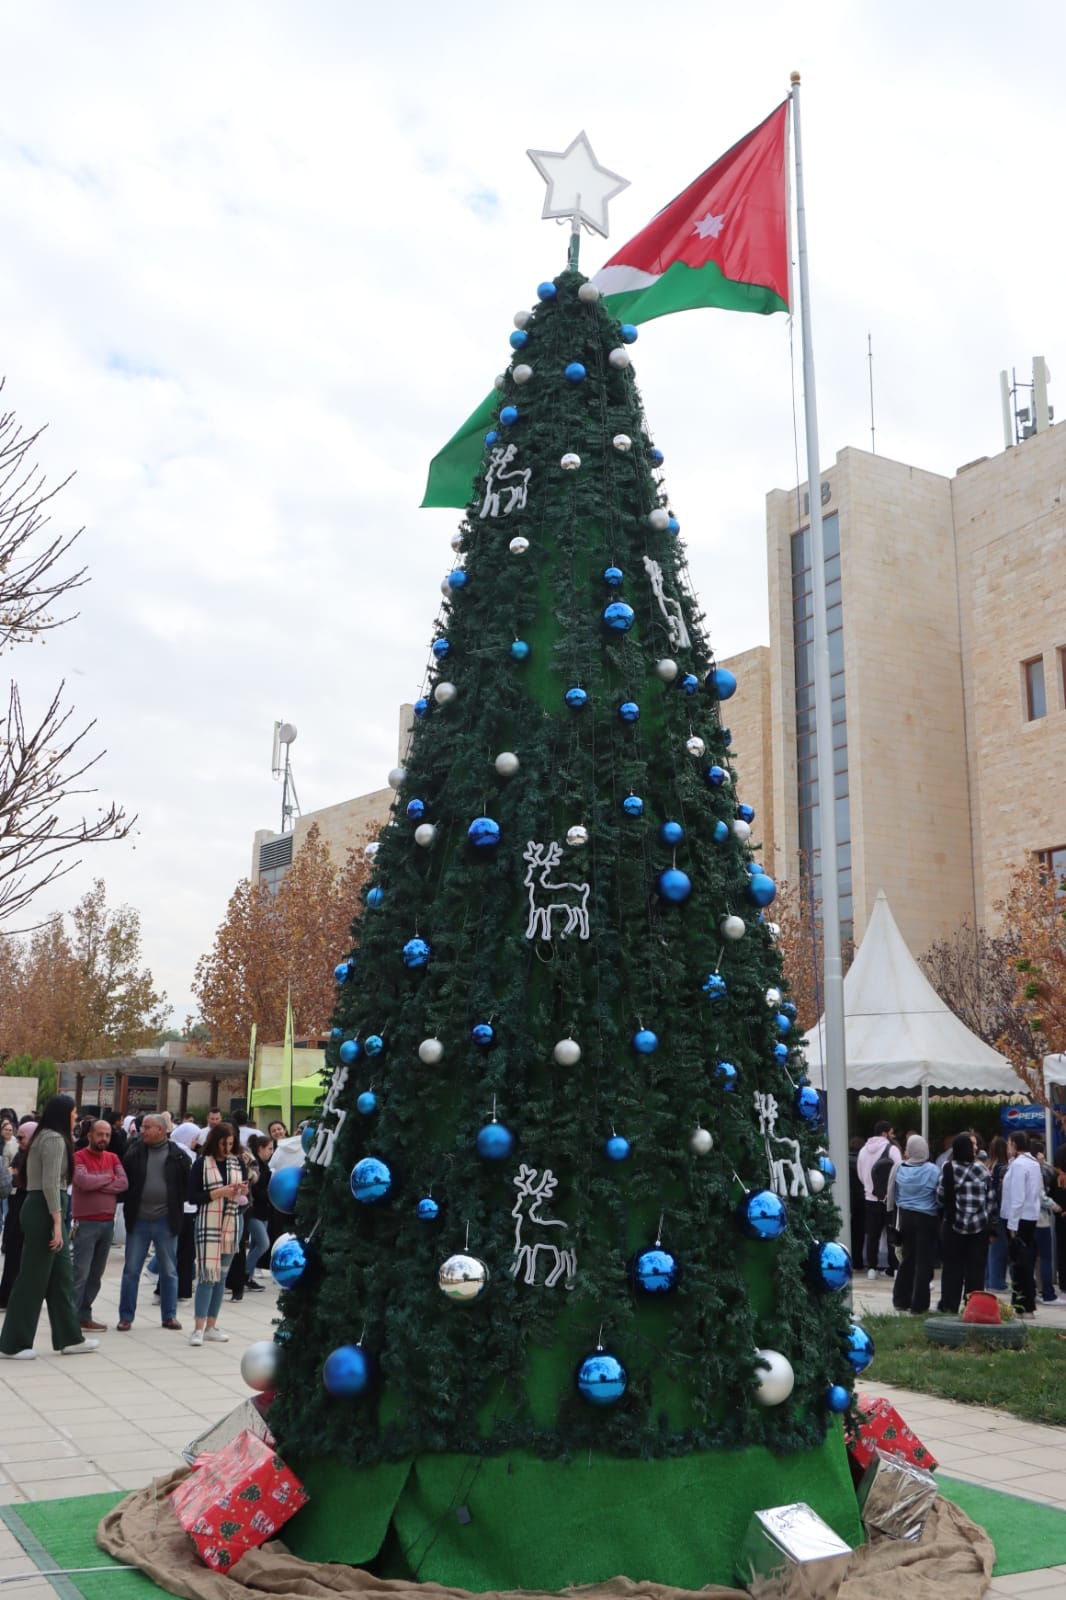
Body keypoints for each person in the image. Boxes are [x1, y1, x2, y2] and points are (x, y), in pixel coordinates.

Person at [0, 1095, 96, 1359]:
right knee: (33, 1277)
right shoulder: (53, 1139)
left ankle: (69, 1338)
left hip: (46, 1207)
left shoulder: (46, 1136)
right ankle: (13, 1343)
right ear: (65, 1113)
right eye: (75, 1112)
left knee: (61, 1277)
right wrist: (57, 1221)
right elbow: (51, 1183)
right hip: (46, 1209)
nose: (76, 1116)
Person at [117, 1113, 188, 1331]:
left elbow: (185, 1186)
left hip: (165, 1220)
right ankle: (126, 1316)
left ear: (161, 1130)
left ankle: (169, 1315)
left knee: (168, 1270)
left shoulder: (178, 1156)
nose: (142, 1130)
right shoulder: (134, 1152)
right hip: (138, 1219)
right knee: (131, 1270)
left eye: (147, 1127)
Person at [189, 1121, 245, 1345]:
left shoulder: (237, 1162)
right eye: (224, 1143)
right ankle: (198, 1327)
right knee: (207, 1276)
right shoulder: (202, 1163)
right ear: (214, 1142)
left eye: (231, 1144)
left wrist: (241, 1191)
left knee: (221, 1277)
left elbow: (242, 1199)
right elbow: (192, 1196)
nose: (227, 1148)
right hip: (207, 1224)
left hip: (231, 1223)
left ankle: (212, 1325)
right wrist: (218, 1193)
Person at [71, 1120, 128, 1331]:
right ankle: (69, 1319)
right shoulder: (78, 1157)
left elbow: (123, 1183)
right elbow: (83, 1182)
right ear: (90, 1135)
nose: (103, 1138)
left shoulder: (113, 1157)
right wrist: (108, 1178)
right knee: (80, 1274)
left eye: (107, 1135)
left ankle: (84, 1315)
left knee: (95, 1276)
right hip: (85, 1224)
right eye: (100, 1134)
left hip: (107, 1224)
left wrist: (97, 1182)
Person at [937, 1133, 994, 1314]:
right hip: (978, 1228)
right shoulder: (983, 1170)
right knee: (976, 1270)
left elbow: (940, 1197)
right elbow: (991, 1200)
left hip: (953, 1227)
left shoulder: (947, 1169)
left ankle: (949, 1306)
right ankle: (973, 1308)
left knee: (952, 1269)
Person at [887, 1135, 940, 1314]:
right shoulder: (933, 1170)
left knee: (907, 1258)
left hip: (906, 1217)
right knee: (924, 1262)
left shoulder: (899, 1167)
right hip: (927, 1218)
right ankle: (919, 1304)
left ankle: (901, 1299)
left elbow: (891, 1193)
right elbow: (939, 1194)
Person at [1001, 1131, 1043, 1316]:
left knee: (1019, 1263)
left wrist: (1012, 1225)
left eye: (1009, 1144)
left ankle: (1023, 1304)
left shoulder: (1019, 1165)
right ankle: (1024, 1302)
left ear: (1015, 1145)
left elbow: (1017, 1196)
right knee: (1024, 1261)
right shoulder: (1032, 1163)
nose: (1007, 1147)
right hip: (1030, 1216)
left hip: (1019, 1218)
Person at [857, 1121, 900, 1279]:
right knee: (892, 1232)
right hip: (889, 1199)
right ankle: (894, 1267)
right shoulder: (892, 1149)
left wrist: (869, 1188)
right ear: (884, 1133)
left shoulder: (862, 1151)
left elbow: (861, 1175)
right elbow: (899, 1172)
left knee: (873, 1234)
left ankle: (872, 1268)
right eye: (891, 1132)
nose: (893, 1135)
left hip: (870, 1198)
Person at [0, 1122, 34, 1308]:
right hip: (17, 1207)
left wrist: (15, 1175)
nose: (18, 1141)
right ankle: (6, 1295)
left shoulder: (36, 1155)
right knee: (13, 1254)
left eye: (21, 1137)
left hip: (29, 1207)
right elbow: (12, 1178)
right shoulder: (22, 1154)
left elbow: (19, 1177)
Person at [1030, 1138, 1064, 1305]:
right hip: (1041, 1219)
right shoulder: (1036, 1170)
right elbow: (1042, 1196)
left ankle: (1032, 1291)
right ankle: (1048, 1294)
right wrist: (1056, 1207)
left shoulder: (1018, 1167)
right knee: (1045, 1258)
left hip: (1026, 1220)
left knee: (1030, 1258)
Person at [170, 1121, 200, 1300]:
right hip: (186, 1209)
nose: (196, 1142)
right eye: (195, 1139)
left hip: (178, 1207)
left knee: (173, 1251)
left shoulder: (175, 1150)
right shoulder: (185, 1155)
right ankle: (182, 1291)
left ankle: (164, 1289)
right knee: (185, 1252)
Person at [243, 1135, 274, 1290]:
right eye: (269, 1148)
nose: (271, 1152)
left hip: (263, 1211)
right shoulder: (256, 1166)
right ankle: (244, 1274)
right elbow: (255, 1189)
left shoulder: (265, 1165)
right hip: (253, 1210)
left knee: (257, 1244)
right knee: (263, 1243)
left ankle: (248, 1277)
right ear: (260, 1148)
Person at [984, 1137, 1010, 1290]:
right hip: (999, 1211)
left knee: (989, 1248)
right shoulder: (1002, 1168)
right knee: (999, 1249)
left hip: (987, 1211)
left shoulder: (987, 1165)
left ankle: (988, 1280)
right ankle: (996, 1282)